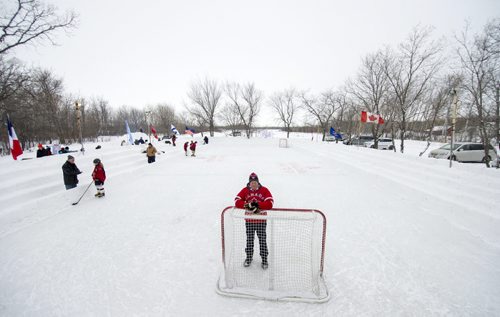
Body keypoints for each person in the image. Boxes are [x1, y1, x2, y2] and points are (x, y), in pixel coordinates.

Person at [234, 173, 274, 269]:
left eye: (255, 182)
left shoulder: (264, 190)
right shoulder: (245, 190)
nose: (254, 184)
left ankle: (264, 259)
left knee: (262, 241)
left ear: (258, 182)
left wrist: (257, 205)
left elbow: (270, 203)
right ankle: (249, 258)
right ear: (249, 183)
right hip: (249, 221)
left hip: (261, 221)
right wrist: (249, 205)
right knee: (249, 241)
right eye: (252, 182)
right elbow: (236, 201)